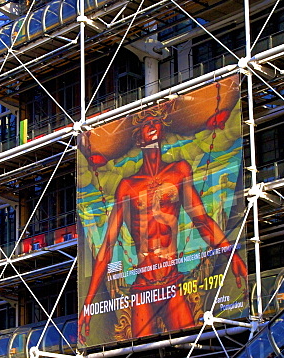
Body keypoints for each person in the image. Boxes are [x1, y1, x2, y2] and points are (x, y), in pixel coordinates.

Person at [79, 114, 247, 341]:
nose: (151, 125)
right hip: (143, 285)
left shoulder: (179, 171)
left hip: (172, 279)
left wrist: (232, 254)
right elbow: (106, 248)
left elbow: (202, 221)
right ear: (137, 138)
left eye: (155, 121)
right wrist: (88, 304)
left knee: (192, 345)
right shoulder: (127, 186)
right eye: (145, 123)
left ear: (163, 127)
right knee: (141, 356)